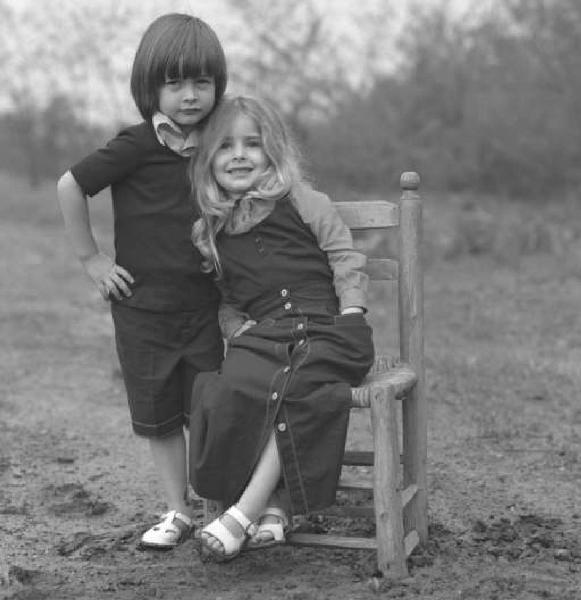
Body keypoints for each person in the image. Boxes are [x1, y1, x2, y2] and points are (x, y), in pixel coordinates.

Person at [56, 13, 227, 549]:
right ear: (149, 87)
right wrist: (91, 260)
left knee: (209, 409)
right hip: (141, 309)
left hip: (206, 305)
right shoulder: (133, 146)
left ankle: (219, 508)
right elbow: (70, 184)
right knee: (157, 416)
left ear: (217, 85)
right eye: (174, 83)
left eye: (201, 82)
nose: (190, 95)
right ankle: (177, 512)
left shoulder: (222, 146)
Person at [189, 95, 375, 562]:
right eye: (225, 146)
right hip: (268, 336)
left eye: (252, 144)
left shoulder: (305, 201)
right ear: (208, 161)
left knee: (298, 382)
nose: (238, 154)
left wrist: (352, 311)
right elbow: (228, 300)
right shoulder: (212, 230)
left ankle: (243, 511)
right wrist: (237, 328)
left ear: (273, 151)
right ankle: (276, 508)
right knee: (237, 385)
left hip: (328, 331)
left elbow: (343, 258)